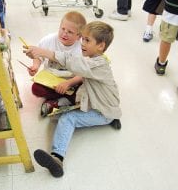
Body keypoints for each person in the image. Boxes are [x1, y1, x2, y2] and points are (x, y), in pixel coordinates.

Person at [24, 21, 122, 177]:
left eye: (87, 40)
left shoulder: (96, 65)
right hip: (100, 104)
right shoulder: (95, 61)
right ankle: (112, 116)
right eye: (82, 39)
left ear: (101, 46)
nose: (82, 43)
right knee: (61, 111)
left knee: (68, 119)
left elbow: (72, 62)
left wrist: (43, 52)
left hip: (104, 111)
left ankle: (57, 158)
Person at [27, 11, 86, 117]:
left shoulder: (81, 48)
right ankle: (65, 100)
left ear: (79, 36)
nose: (64, 33)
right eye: (62, 29)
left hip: (71, 81)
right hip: (50, 80)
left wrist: (69, 83)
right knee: (36, 89)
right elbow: (38, 57)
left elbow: (83, 73)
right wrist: (35, 66)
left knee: (87, 87)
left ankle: (57, 101)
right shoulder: (49, 39)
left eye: (70, 32)